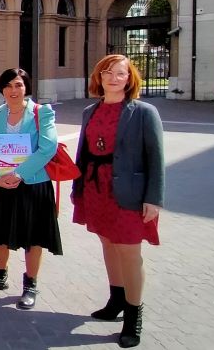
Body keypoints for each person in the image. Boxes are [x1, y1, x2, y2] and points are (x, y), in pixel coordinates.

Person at [72, 55, 164, 348]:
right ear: (99, 77)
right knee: (108, 244)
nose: (113, 78)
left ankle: (133, 316)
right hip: (96, 188)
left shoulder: (143, 112)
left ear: (129, 78)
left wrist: (153, 199)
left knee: (129, 253)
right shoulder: (90, 111)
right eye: (107, 72)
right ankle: (116, 300)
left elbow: (156, 159)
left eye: (120, 73)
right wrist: (78, 188)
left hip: (129, 193)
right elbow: (83, 153)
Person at [0, 68, 61, 310]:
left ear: (26, 87)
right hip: (2, 184)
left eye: (18, 85)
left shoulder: (41, 112)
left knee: (33, 238)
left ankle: (30, 285)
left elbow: (48, 148)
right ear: (2, 89)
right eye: (8, 86)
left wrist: (19, 174)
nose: (13, 91)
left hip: (33, 184)